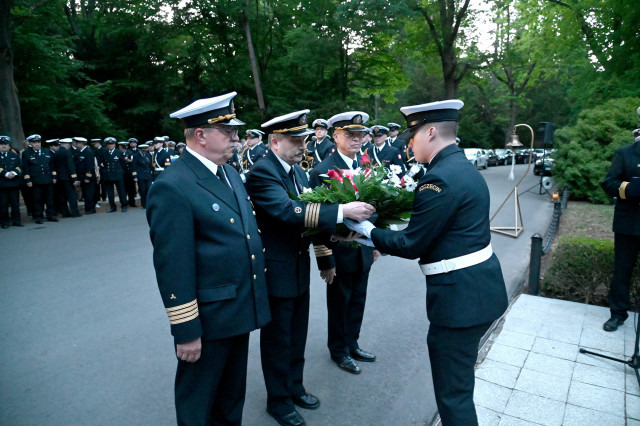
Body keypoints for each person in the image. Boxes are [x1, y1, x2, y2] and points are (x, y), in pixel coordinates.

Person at [344, 100, 508, 426]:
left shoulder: (440, 180)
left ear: (431, 131)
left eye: (413, 134)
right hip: (479, 291)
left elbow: (412, 243)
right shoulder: (461, 167)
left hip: (460, 303)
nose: (409, 143)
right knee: (459, 385)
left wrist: (367, 230)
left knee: (453, 396)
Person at [147, 91, 270, 425]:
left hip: (239, 308)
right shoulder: (173, 185)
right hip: (209, 320)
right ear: (200, 135)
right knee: (198, 403)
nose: (236, 137)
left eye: (235, 131)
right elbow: (174, 265)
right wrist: (186, 329)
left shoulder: (228, 173)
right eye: (227, 131)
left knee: (231, 398)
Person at [245, 110, 375, 426]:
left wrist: (338, 235)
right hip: (276, 270)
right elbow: (288, 211)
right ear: (274, 142)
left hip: (297, 266)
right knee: (278, 339)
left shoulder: (298, 173)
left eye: (303, 139)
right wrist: (342, 210)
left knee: (297, 333)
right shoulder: (263, 172)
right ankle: (278, 401)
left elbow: (307, 222)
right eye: (294, 140)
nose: (302, 145)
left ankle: (295, 387)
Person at [309, 111, 379, 375]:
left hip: (363, 248)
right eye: (350, 134)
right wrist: (326, 259)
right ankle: (338, 350)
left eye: (360, 134)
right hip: (339, 249)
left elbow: (375, 207)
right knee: (340, 303)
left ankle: (352, 343)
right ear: (335, 136)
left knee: (358, 299)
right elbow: (316, 220)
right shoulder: (323, 170)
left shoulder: (365, 166)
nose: (357, 139)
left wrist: (376, 244)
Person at [601, 128, 640, 332]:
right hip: (629, 223)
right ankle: (618, 314)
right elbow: (609, 183)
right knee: (622, 271)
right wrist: (628, 189)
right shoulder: (626, 153)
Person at [22, 134, 58, 224]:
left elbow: (52, 165)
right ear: (30, 143)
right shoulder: (26, 153)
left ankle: (51, 215)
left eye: (38, 142)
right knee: (37, 199)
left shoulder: (46, 151)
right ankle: (38, 216)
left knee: (49, 199)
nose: (37, 144)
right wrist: (28, 180)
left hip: (48, 179)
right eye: (34, 142)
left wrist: (54, 176)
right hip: (36, 180)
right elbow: (25, 168)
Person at [51, 138, 81, 218]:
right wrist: (74, 178)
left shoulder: (56, 153)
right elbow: (70, 166)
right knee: (72, 196)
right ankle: (75, 212)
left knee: (62, 196)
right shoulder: (67, 153)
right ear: (67, 145)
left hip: (59, 178)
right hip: (67, 178)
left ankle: (65, 213)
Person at [0, 136, 24, 228]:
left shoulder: (14, 156)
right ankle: (5, 222)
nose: (4, 146)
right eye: (1, 144)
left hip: (13, 183)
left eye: (5, 144)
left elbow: (20, 166)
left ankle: (16, 221)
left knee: (15, 204)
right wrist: (5, 174)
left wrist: (14, 173)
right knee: (3, 204)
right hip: (2, 184)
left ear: (9, 146)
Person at [101, 137, 127, 212]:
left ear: (115, 144)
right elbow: (101, 163)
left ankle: (124, 205)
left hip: (118, 175)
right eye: (108, 144)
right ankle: (112, 207)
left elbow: (123, 164)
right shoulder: (104, 153)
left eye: (112, 144)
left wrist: (122, 174)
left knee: (121, 191)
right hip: (108, 175)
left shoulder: (119, 152)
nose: (110, 146)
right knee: (110, 193)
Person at [76, 138, 97, 214]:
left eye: (77, 143)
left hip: (88, 178)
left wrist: (88, 177)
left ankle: (91, 208)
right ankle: (87, 208)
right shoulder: (80, 152)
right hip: (82, 177)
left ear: (81, 143)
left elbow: (90, 166)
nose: (76, 144)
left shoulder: (88, 151)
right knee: (85, 193)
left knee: (89, 194)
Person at [134, 143, 153, 208]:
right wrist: (135, 176)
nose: (145, 150)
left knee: (149, 189)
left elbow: (151, 166)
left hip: (148, 175)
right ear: (141, 149)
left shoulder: (148, 155)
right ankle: (143, 203)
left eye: (146, 148)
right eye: (144, 149)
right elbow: (133, 167)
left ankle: (149, 203)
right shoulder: (136, 156)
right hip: (140, 175)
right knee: (142, 190)